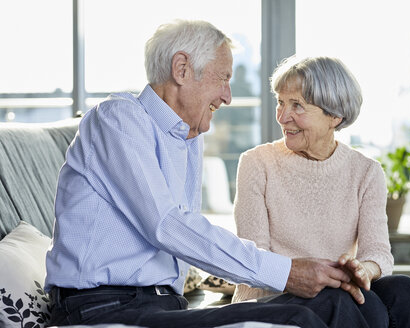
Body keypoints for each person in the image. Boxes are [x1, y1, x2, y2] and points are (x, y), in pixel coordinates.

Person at [44, 20, 383, 328]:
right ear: (182, 69)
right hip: (103, 306)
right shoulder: (118, 119)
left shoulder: (188, 137)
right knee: (300, 318)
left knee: (359, 301)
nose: (228, 96)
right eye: (223, 78)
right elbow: (167, 225)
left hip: (164, 305)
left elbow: (189, 233)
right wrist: (287, 272)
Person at [231, 55, 410, 327]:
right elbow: (255, 260)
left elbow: (379, 254)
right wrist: (318, 278)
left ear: (335, 116)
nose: (282, 116)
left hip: (338, 293)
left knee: (406, 292)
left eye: (297, 105)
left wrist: (362, 270)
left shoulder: (366, 172)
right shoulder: (256, 163)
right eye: (280, 102)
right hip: (271, 297)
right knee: (361, 305)